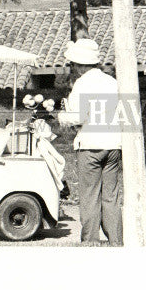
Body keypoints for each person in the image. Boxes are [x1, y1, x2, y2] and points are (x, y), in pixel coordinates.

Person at [56, 38, 123, 245]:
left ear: (78, 64)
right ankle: (116, 240)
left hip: (90, 144)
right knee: (111, 196)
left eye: (73, 64)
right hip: (114, 143)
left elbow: (77, 116)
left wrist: (61, 116)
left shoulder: (82, 83)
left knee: (90, 194)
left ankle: (90, 240)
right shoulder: (113, 82)